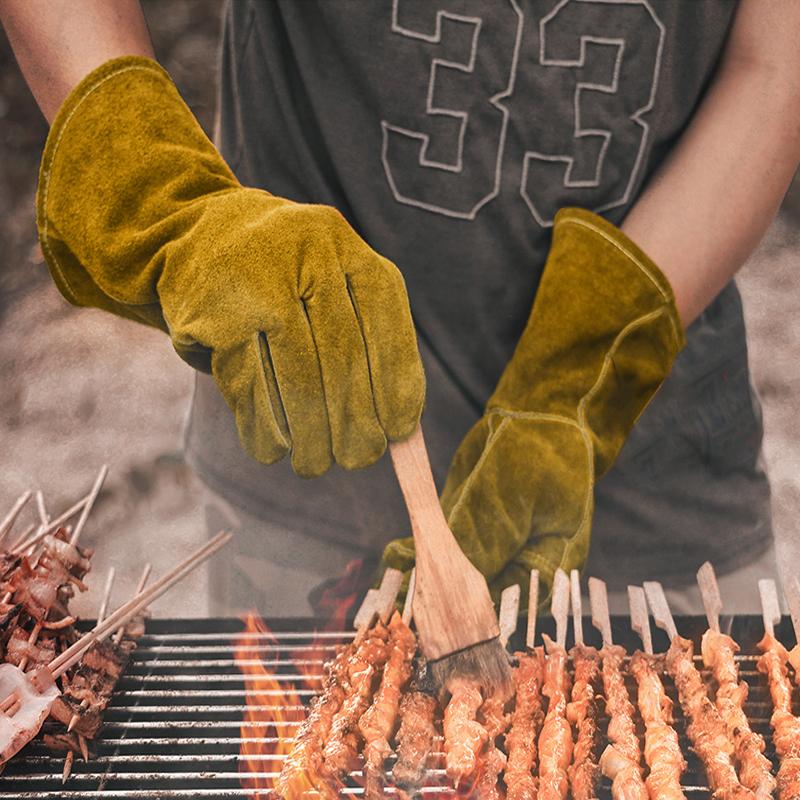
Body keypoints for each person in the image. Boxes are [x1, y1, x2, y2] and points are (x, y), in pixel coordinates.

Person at [2, 0, 798, 617]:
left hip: (664, 493)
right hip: (302, 449)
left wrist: (582, 381)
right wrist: (163, 196)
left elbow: (773, 65)